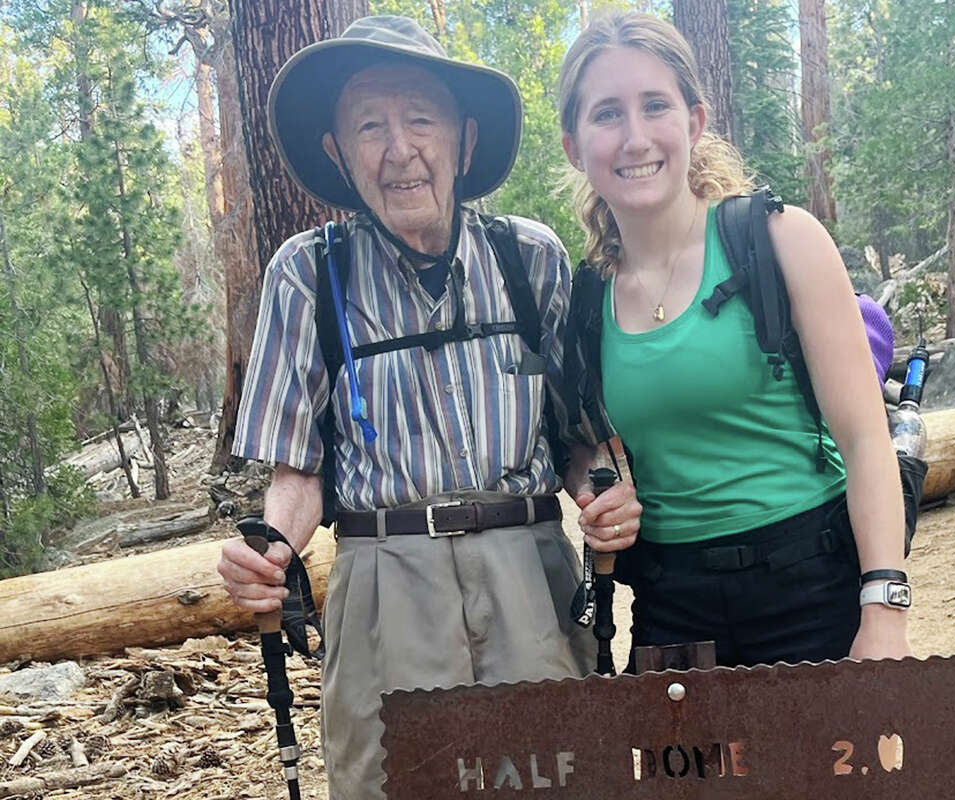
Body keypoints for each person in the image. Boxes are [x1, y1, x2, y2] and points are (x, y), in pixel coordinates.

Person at [215, 16, 640, 800]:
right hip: (384, 585)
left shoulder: (530, 258)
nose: (399, 148)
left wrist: (599, 492)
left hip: (530, 577)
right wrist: (272, 547)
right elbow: (297, 470)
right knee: (392, 784)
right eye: (369, 125)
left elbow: (578, 439)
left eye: (420, 118)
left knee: (564, 776)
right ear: (339, 154)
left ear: (464, 140)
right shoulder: (308, 276)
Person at [558, 12, 912, 668]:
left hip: (816, 591)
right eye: (607, 114)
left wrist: (884, 610)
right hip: (673, 610)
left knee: (835, 778)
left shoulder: (780, 241)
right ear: (575, 147)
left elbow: (866, 440)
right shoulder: (584, 299)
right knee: (688, 778)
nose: (635, 137)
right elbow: (585, 445)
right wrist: (596, 490)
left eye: (654, 105)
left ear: (693, 123)